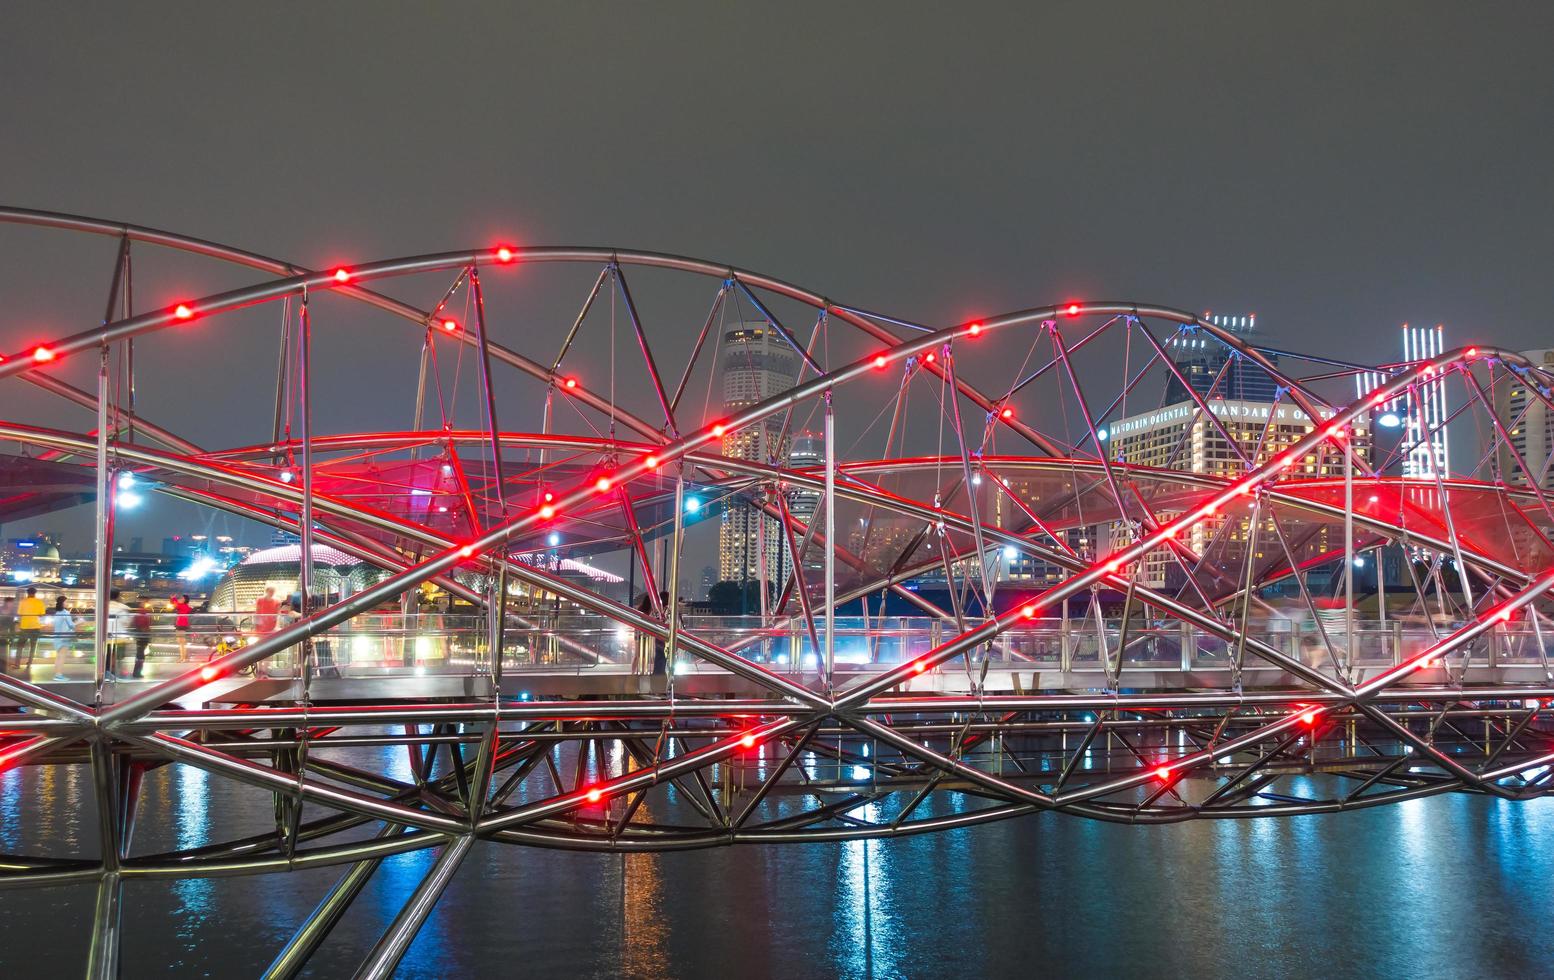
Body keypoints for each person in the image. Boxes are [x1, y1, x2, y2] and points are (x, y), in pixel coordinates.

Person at [16, 587, 46, 673]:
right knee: (33, 647)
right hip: (35, 627)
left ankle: (17, 664)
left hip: (24, 627)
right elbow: (42, 614)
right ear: (35, 593)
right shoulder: (39, 602)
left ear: (27, 593)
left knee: (20, 646)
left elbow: (19, 613)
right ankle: (29, 664)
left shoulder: (22, 601)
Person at [104, 589, 131, 680]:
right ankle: (114, 673)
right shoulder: (122, 608)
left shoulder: (103, 606)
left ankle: (106, 673)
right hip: (119, 636)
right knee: (117, 656)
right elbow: (126, 622)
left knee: (106, 655)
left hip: (105, 635)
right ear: (118, 596)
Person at [48, 595, 76, 681]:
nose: (67, 603)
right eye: (66, 602)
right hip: (64, 638)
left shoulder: (57, 613)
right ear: (63, 603)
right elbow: (71, 625)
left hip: (57, 637)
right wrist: (78, 622)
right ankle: (58, 675)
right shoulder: (65, 613)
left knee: (58, 657)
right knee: (62, 657)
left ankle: (57, 674)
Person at [127, 600, 153, 680]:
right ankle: (138, 672)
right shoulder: (145, 614)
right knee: (141, 654)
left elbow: (134, 624)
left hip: (139, 635)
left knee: (139, 653)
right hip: (144, 636)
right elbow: (148, 624)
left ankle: (136, 672)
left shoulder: (137, 614)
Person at [171, 594, 193, 661]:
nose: (180, 599)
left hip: (181, 625)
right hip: (181, 625)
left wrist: (173, 598)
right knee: (181, 642)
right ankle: (183, 657)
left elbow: (176, 605)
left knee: (181, 642)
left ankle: (183, 658)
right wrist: (173, 599)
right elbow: (175, 604)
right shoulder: (185, 606)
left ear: (184, 600)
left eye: (181, 598)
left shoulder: (184, 606)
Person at [0, 597, 15, 675]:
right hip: (2, 635)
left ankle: (3, 674)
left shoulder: (12, 612)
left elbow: (11, 625)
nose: (12, 604)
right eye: (11, 603)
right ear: (6, 603)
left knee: (3, 656)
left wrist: (12, 636)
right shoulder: (1, 610)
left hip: (5, 636)